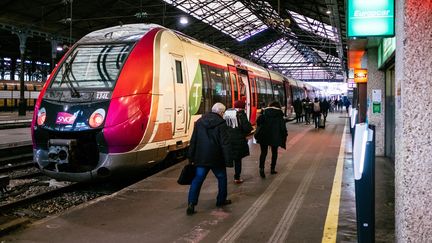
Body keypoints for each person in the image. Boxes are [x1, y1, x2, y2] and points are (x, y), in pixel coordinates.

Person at [186, 102, 233, 215]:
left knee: (197, 179)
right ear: (221, 112)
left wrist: (190, 157)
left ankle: (191, 204)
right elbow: (225, 143)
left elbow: (194, 141)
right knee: (221, 178)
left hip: (201, 157)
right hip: (216, 158)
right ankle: (221, 200)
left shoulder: (199, 122)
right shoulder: (222, 124)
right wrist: (229, 160)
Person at [254, 101, 288, 178]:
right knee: (274, 152)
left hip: (263, 136)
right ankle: (272, 169)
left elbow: (258, 123)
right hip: (275, 136)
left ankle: (261, 169)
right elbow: (283, 128)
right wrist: (284, 136)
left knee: (263, 152)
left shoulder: (264, 113)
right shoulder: (279, 115)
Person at [224, 100, 253, 184]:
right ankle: (237, 177)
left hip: (227, 140)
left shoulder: (226, 113)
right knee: (237, 160)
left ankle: (223, 178)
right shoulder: (240, 114)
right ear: (242, 107)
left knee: (225, 158)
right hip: (238, 140)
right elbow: (247, 128)